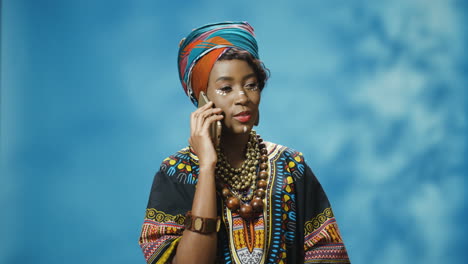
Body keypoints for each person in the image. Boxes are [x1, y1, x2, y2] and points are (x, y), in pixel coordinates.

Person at [138, 21, 350, 264]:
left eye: (251, 85)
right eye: (226, 88)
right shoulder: (176, 173)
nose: (242, 98)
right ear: (202, 99)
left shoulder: (292, 166)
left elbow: (327, 253)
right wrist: (207, 167)